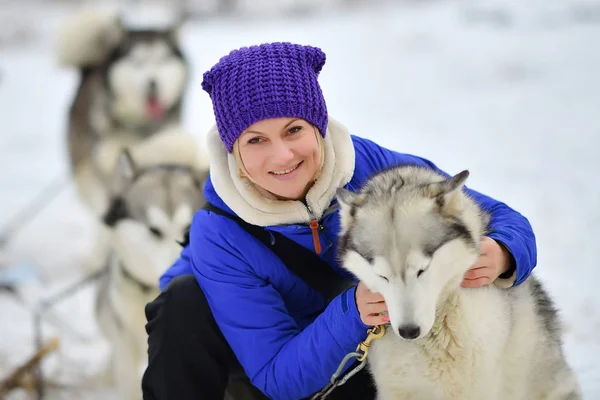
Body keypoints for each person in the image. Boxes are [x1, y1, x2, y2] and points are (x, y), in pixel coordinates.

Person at [141, 42, 536, 400]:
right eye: (255, 140)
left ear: (318, 126)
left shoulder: (371, 170)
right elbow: (277, 376)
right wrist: (354, 311)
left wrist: (504, 252)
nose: (282, 156)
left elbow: (499, 216)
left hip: (365, 356)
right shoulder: (220, 233)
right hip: (267, 371)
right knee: (182, 301)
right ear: (234, 153)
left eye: (293, 130)